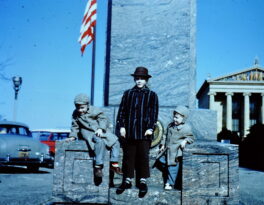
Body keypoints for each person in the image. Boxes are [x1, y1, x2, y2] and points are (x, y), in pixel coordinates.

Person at [116, 67, 159, 197]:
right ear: (135, 79)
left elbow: (153, 113)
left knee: (143, 157)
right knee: (128, 156)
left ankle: (142, 181)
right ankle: (127, 180)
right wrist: (122, 126)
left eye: (142, 78)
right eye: (137, 78)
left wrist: (150, 127)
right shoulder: (128, 93)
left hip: (144, 131)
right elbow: (122, 111)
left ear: (146, 80)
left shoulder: (152, 95)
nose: (139, 81)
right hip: (129, 131)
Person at [66, 93, 122, 179]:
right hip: (87, 131)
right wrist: (73, 136)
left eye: (82, 108)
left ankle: (114, 164)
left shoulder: (94, 110)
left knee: (115, 141)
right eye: (78, 108)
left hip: (98, 129)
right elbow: (75, 126)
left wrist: (101, 128)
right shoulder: (75, 113)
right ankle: (98, 166)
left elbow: (103, 119)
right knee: (99, 142)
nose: (80, 110)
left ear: (87, 105)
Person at [156, 105, 194, 190]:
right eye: (174, 117)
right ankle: (168, 173)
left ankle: (169, 183)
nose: (174, 119)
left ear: (183, 118)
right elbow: (165, 135)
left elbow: (191, 138)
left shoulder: (186, 128)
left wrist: (185, 141)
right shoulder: (170, 126)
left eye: (177, 118)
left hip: (175, 152)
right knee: (161, 160)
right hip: (167, 150)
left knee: (173, 168)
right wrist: (162, 144)